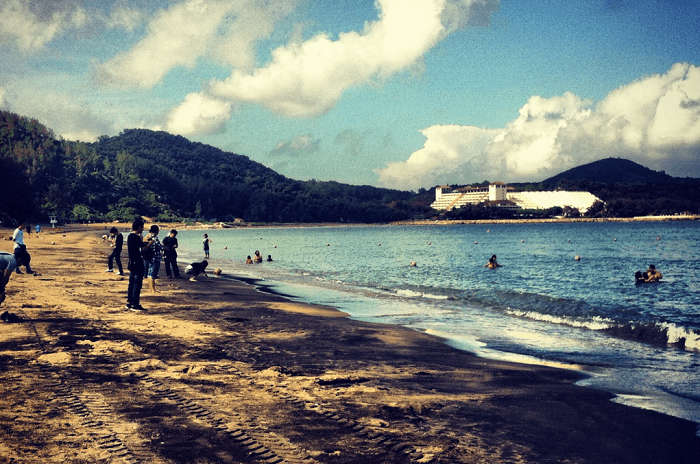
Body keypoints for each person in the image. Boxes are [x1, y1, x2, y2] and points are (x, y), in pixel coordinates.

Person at [126, 218, 146, 311]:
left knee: (131, 283)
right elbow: (143, 247)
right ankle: (135, 304)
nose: (143, 229)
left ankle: (130, 302)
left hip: (131, 262)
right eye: (142, 227)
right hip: (137, 262)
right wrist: (150, 242)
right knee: (137, 284)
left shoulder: (130, 236)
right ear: (138, 227)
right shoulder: (136, 237)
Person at [142, 225, 162, 293]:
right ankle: (152, 290)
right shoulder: (149, 237)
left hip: (156, 257)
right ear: (156, 230)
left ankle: (153, 289)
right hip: (153, 258)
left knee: (153, 274)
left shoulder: (153, 236)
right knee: (151, 274)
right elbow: (145, 247)